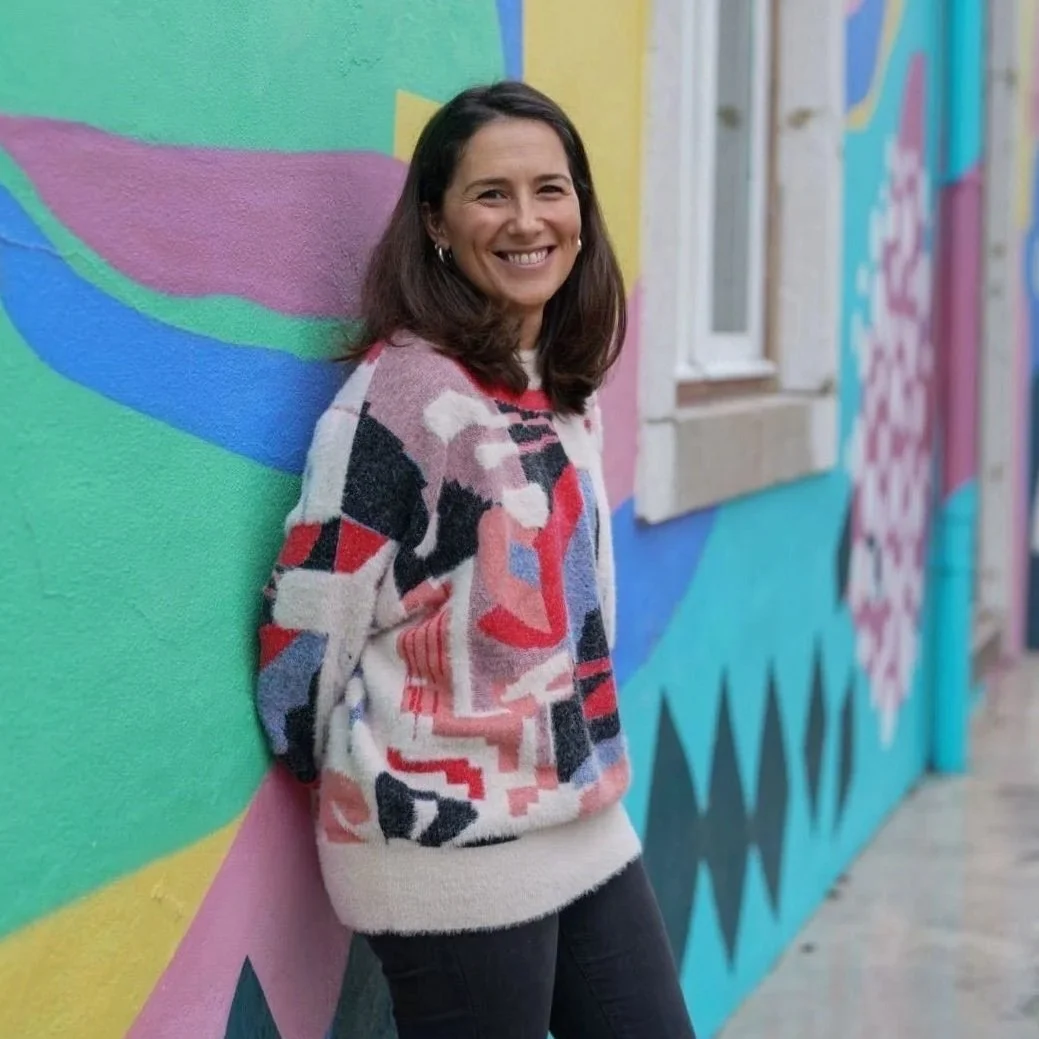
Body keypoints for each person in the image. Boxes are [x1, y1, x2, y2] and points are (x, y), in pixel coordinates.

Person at [255, 80, 696, 1039]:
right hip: (449, 842)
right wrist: (377, 767)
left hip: (579, 811)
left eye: (551, 188)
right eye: (491, 194)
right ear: (437, 225)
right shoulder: (407, 391)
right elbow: (310, 622)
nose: (528, 219)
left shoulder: (557, 383)